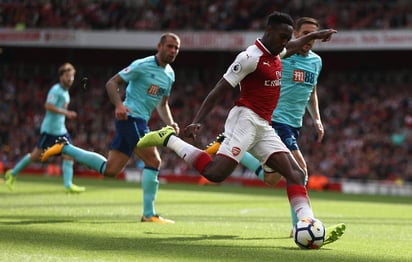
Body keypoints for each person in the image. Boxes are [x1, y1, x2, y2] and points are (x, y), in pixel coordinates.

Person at [136, 12, 339, 244]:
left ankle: (308, 224)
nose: (285, 42)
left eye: (287, 38)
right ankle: (169, 139)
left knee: (296, 174)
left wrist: (315, 35)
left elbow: (293, 45)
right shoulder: (249, 57)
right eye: (282, 37)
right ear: (269, 32)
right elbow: (219, 89)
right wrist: (197, 120)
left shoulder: (277, 51)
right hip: (245, 120)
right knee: (215, 173)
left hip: (264, 125)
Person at [204, 17, 346, 241]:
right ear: (297, 35)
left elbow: (312, 91)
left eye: (312, 34)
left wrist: (317, 118)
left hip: (295, 122)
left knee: (271, 179)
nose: (308, 39)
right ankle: (303, 227)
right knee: (300, 171)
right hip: (275, 120)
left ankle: (237, 151)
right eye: (304, 33)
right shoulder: (283, 55)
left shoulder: (316, 62)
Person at [41, 33, 180, 224]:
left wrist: (170, 123)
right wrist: (119, 105)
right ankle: (149, 213)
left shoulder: (170, 74)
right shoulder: (142, 65)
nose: (173, 51)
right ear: (159, 46)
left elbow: (163, 104)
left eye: (176, 48)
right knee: (154, 160)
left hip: (138, 121)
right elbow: (112, 82)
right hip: (131, 118)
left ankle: (65, 148)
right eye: (170, 46)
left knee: (110, 170)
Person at [4, 62, 85, 193]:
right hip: (50, 131)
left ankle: (68, 185)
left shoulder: (65, 92)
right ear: (61, 77)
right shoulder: (56, 90)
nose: (70, 78)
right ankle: (12, 173)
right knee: (35, 156)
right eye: (67, 76)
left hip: (60, 130)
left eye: (72, 76)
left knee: (69, 155)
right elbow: (48, 106)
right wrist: (66, 113)